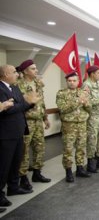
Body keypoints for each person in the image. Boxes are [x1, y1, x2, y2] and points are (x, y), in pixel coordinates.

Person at [0, 65, 37, 211]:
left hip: (18, 131)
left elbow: (19, 106)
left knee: (16, 162)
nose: (17, 74)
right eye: (14, 72)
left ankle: (13, 187)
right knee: (3, 165)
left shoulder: (14, 88)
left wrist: (30, 103)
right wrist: (25, 103)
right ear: (5, 74)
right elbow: (5, 110)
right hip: (6, 133)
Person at [16, 60, 51, 190]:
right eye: (33, 68)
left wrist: (45, 118)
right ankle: (23, 177)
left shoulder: (38, 84)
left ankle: (37, 172)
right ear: (25, 71)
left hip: (38, 121)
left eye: (36, 68)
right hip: (26, 121)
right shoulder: (18, 85)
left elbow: (42, 103)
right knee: (24, 150)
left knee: (39, 147)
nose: (36, 71)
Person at [56, 71, 91, 182]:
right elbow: (63, 108)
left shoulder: (83, 92)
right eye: (69, 81)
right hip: (69, 125)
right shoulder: (61, 93)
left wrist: (86, 103)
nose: (72, 83)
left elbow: (89, 108)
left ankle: (80, 168)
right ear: (66, 81)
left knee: (81, 147)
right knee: (68, 149)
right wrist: (78, 100)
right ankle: (68, 171)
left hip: (82, 124)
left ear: (78, 81)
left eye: (74, 81)